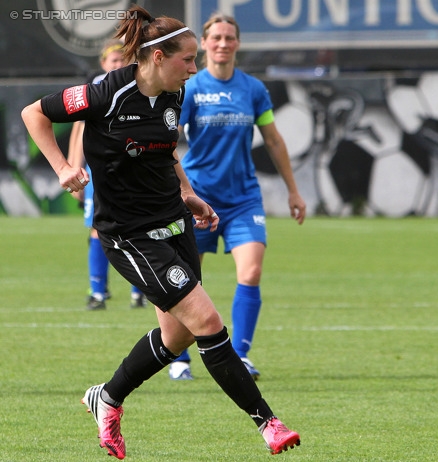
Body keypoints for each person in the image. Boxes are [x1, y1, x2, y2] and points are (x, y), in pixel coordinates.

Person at [21, 6, 300, 459]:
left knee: (177, 337)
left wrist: (187, 192)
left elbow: (166, 151)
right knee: (208, 322)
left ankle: (106, 398)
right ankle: (268, 422)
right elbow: (34, 112)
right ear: (155, 57)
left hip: (174, 221)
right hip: (129, 234)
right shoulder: (105, 92)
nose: (193, 69)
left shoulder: (173, 93)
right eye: (187, 60)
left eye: (194, 60)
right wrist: (63, 167)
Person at [173, 12, 306, 382]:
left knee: (251, 271)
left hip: (243, 199)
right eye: (216, 37)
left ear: (238, 44)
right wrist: (178, 188)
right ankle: (179, 358)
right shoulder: (192, 88)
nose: (222, 43)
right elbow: (166, 140)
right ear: (204, 43)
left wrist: (294, 191)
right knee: (185, 281)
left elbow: (274, 140)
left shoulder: (253, 89)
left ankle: (241, 356)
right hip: (199, 200)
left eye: (229, 37)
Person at [67, 39, 147, 310]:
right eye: (113, 60)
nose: (118, 64)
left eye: (122, 60)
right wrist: (73, 167)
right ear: (103, 63)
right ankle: (97, 292)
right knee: (97, 229)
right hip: (99, 172)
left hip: (134, 170)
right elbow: (79, 130)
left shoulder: (139, 86)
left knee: (139, 227)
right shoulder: (94, 90)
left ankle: (140, 291)